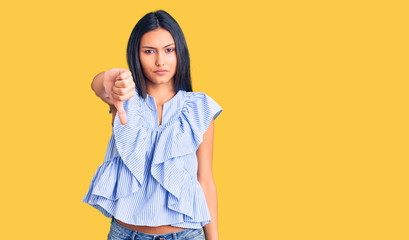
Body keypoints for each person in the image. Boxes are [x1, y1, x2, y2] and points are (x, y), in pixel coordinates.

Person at [82, 10, 223, 240]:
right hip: (126, 234)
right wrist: (110, 77)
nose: (160, 61)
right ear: (136, 54)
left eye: (169, 50)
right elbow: (99, 86)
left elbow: (205, 179)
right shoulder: (125, 100)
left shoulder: (198, 108)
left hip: (186, 235)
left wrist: (214, 238)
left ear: (180, 52)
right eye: (149, 51)